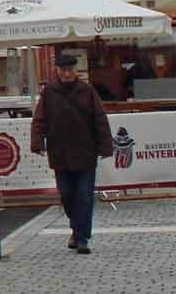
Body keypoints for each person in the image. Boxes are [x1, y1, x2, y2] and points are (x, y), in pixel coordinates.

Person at [30, 52, 113, 255]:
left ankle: (82, 237)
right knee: (67, 195)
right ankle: (77, 230)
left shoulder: (87, 91)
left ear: (76, 71)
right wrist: (37, 142)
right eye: (63, 70)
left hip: (85, 152)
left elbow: (99, 119)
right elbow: (40, 119)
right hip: (60, 154)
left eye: (70, 70)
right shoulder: (49, 92)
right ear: (57, 70)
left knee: (84, 196)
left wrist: (105, 146)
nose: (67, 73)